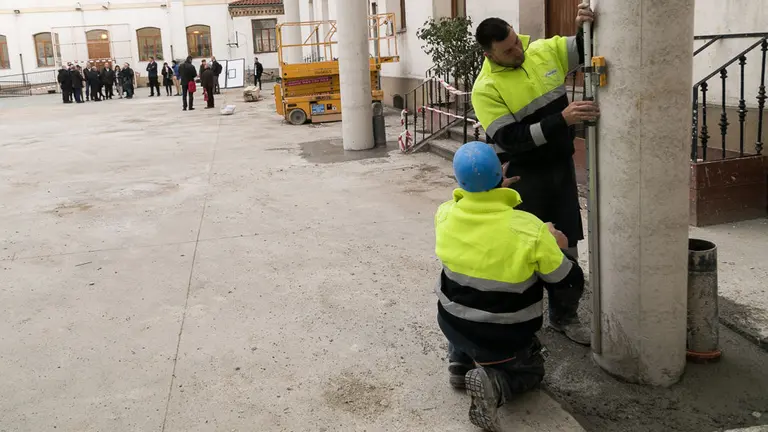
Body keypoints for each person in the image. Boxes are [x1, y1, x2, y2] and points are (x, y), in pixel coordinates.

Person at [470, 5, 597, 345]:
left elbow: (587, 48)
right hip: (524, 177)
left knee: (566, 242)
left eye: (516, 42)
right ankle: (520, 325)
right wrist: (562, 120)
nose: (518, 52)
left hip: (560, 166)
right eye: (508, 51)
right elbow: (512, 139)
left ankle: (564, 315)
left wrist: (583, 26)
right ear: (489, 54)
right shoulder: (485, 89)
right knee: (526, 250)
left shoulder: (543, 51)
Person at [435, 142, 584, 431]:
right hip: (504, 336)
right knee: (531, 372)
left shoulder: (444, 214)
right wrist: (558, 245)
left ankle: (460, 361)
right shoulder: (530, 228)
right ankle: (496, 383)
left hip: (452, 323)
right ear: (500, 175)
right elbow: (567, 280)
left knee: (462, 295)